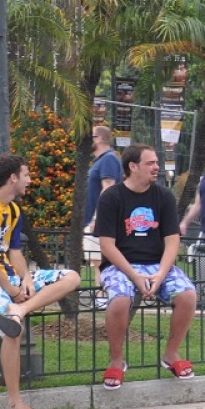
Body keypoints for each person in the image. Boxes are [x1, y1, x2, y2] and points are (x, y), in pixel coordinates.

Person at [0, 154, 81, 409]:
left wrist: (25, 279)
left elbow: (14, 252)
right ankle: (16, 406)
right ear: (13, 177)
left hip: (10, 279)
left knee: (71, 278)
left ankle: (19, 310)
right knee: (13, 334)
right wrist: (12, 289)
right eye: (26, 175)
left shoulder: (13, 209)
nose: (29, 180)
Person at [94, 144, 199, 389]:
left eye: (156, 162)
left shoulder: (163, 196)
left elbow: (172, 241)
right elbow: (107, 246)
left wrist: (161, 275)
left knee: (188, 295)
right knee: (119, 299)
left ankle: (171, 355)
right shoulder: (111, 197)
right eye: (150, 163)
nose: (157, 167)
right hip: (120, 266)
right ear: (133, 167)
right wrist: (133, 274)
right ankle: (117, 361)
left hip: (156, 264)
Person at [83, 125, 123, 307]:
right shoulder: (100, 160)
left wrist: (96, 218)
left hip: (100, 221)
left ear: (99, 138)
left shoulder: (108, 159)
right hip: (94, 219)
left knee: (101, 260)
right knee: (96, 260)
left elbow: (108, 187)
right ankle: (102, 296)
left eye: (91, 137)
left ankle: (103, 297)